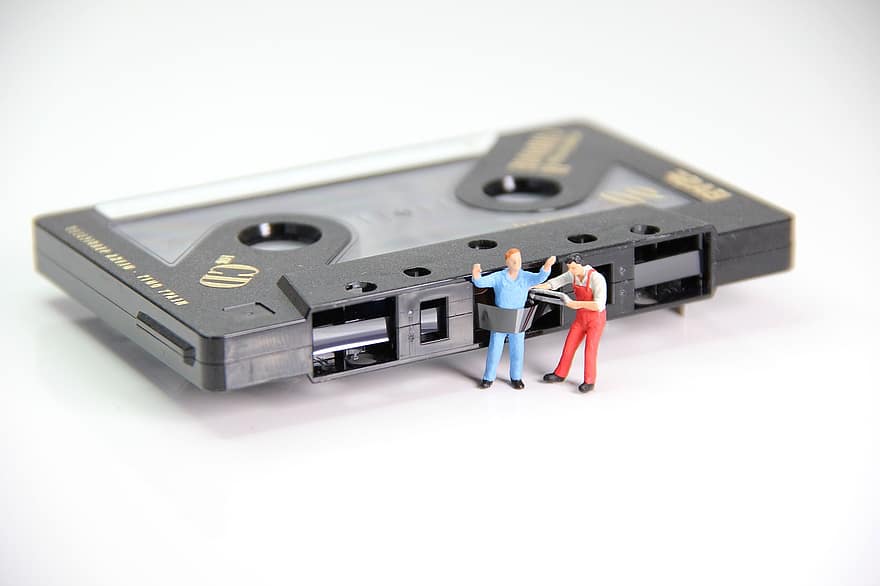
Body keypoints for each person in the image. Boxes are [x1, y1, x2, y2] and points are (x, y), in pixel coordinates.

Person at [471, 249, 555, 389]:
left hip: (518, 319)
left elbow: (539, 278)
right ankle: (488, 377)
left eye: (519, 260)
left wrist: (547, 266)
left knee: (517, 351)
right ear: (507, 262)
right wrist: (476, 272)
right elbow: (480, 283)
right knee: (494, 350)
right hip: (501, 319)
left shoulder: (525, 277)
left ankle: (516, 377)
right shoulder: (499, 277)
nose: (517, 263)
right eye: (513, 261)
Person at [532, 253, 607, 393]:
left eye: (573, 268)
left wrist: (575, 304)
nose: (570, 271)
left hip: (595, 320)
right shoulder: (572, 274)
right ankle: (560, 374)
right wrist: (537, 287)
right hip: (580, 319)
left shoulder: (596, 279)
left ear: (581, 265)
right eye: (569, 268)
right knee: (569, 346)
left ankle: (589, 381)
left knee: (590, 350)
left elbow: (599, 305)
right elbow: (555, 283)